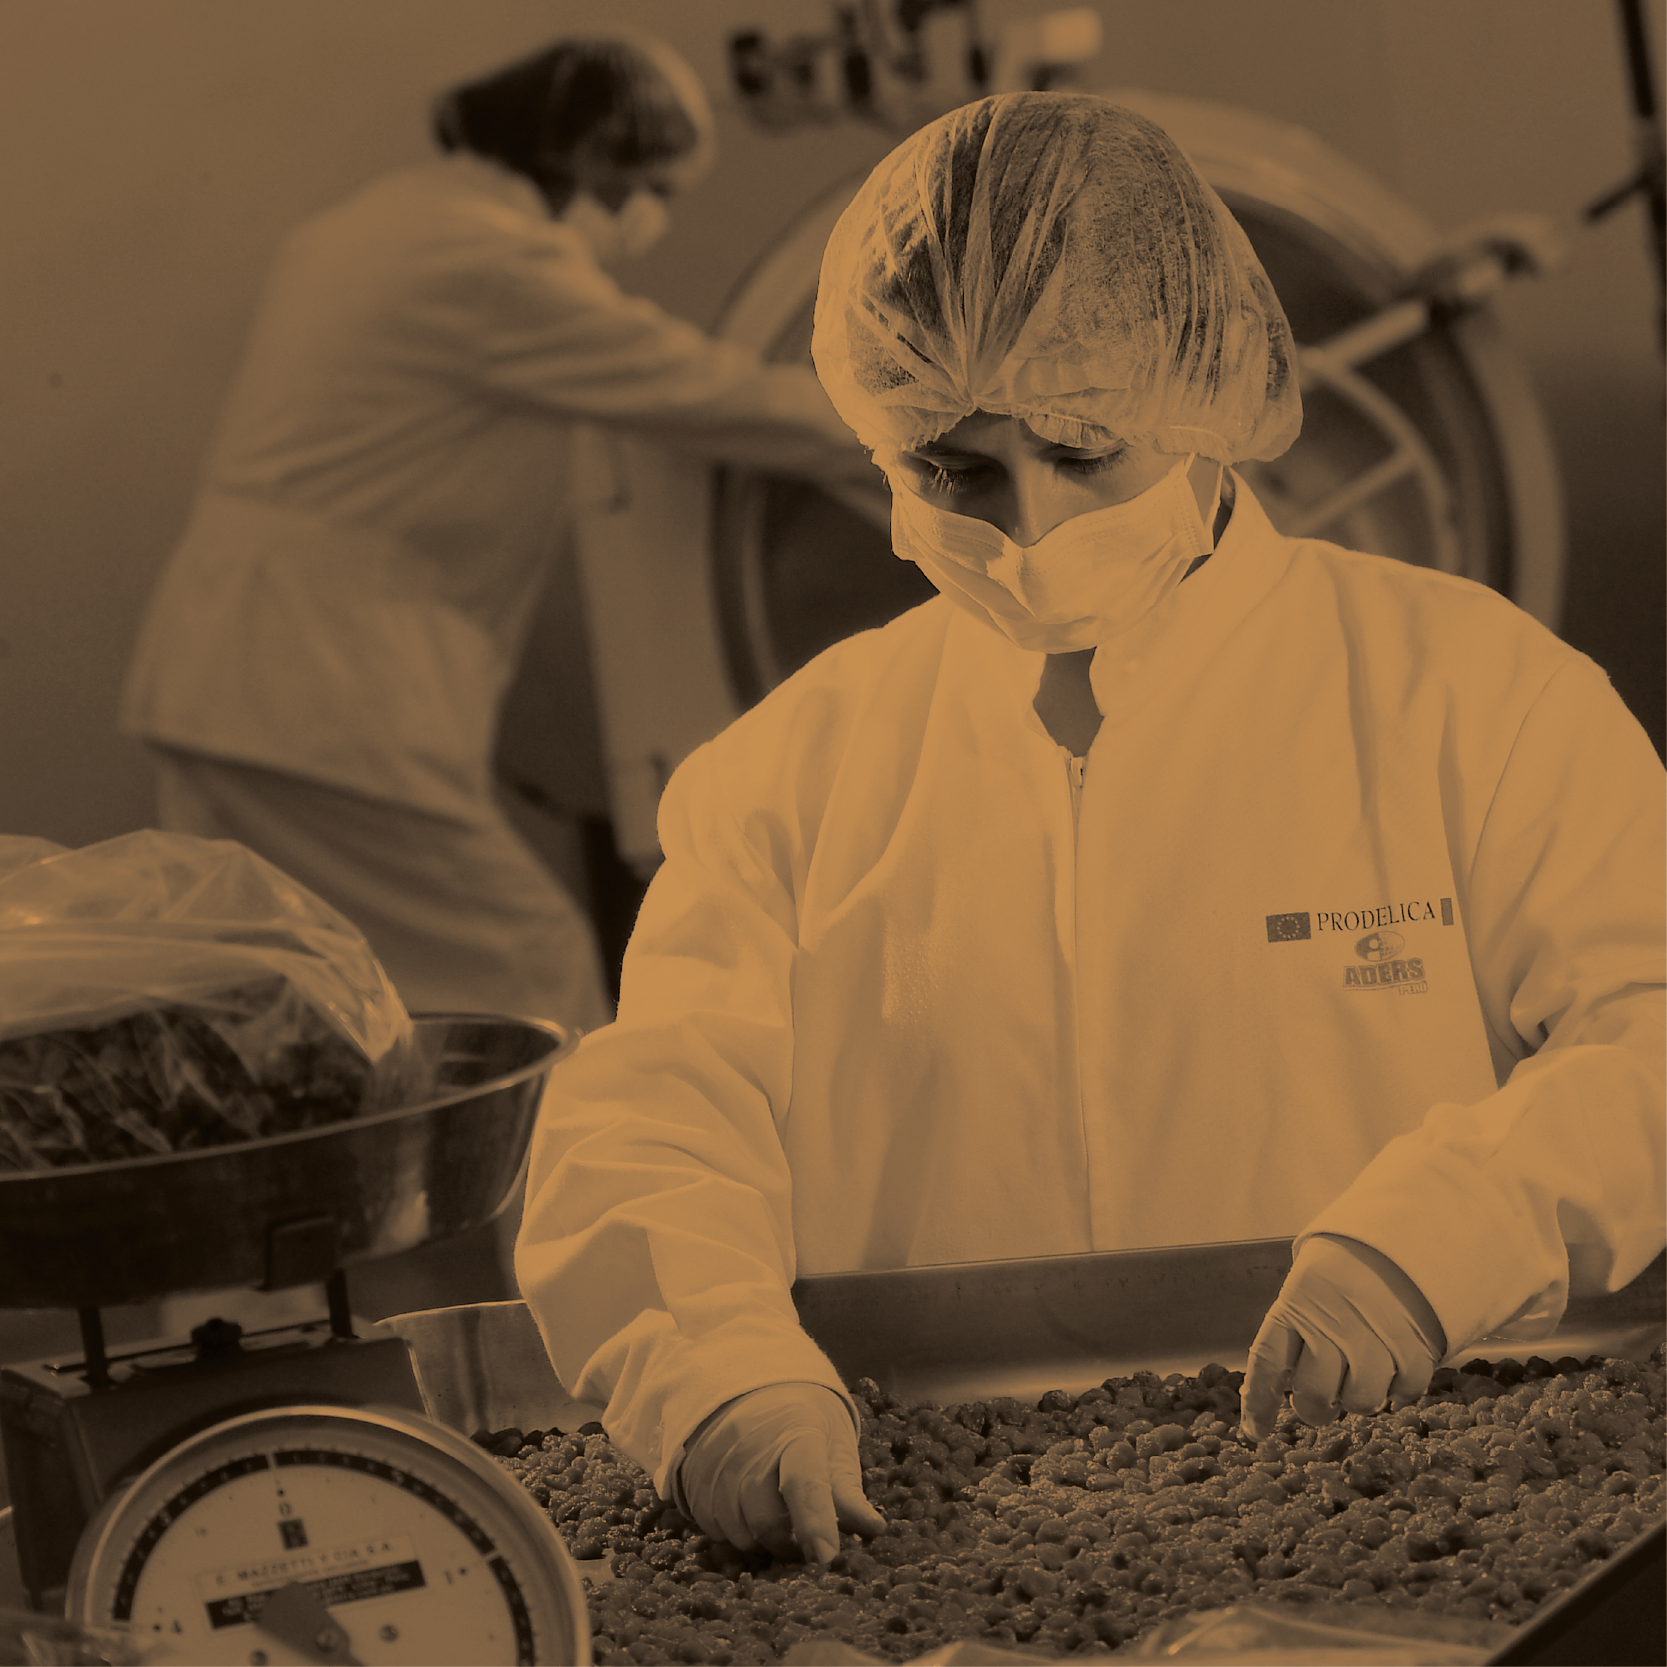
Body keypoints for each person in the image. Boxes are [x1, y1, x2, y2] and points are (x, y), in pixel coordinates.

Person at [514, 92, 1666, 1565]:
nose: (1032, 527)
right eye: (958, 472)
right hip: (937, 1535)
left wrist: (1440, 1238)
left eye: (1082, 450)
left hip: (1398, 1495)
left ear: (1199, 391)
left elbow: (1648, 1032)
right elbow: (656, 1121)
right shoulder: (791, 771)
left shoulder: (1465, 691)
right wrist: (718, 1376)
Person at [119, 31, 888, 1313]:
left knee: (268, 1032)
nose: (647, 222)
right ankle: (602, 1316)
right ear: (591, 162)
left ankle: (233, 1336)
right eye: (651, 190)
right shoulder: (491, 263)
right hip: (323, 696)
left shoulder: (380, 224)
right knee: (531, 983)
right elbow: (700, 393)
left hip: (228, 672)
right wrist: (924, 433)